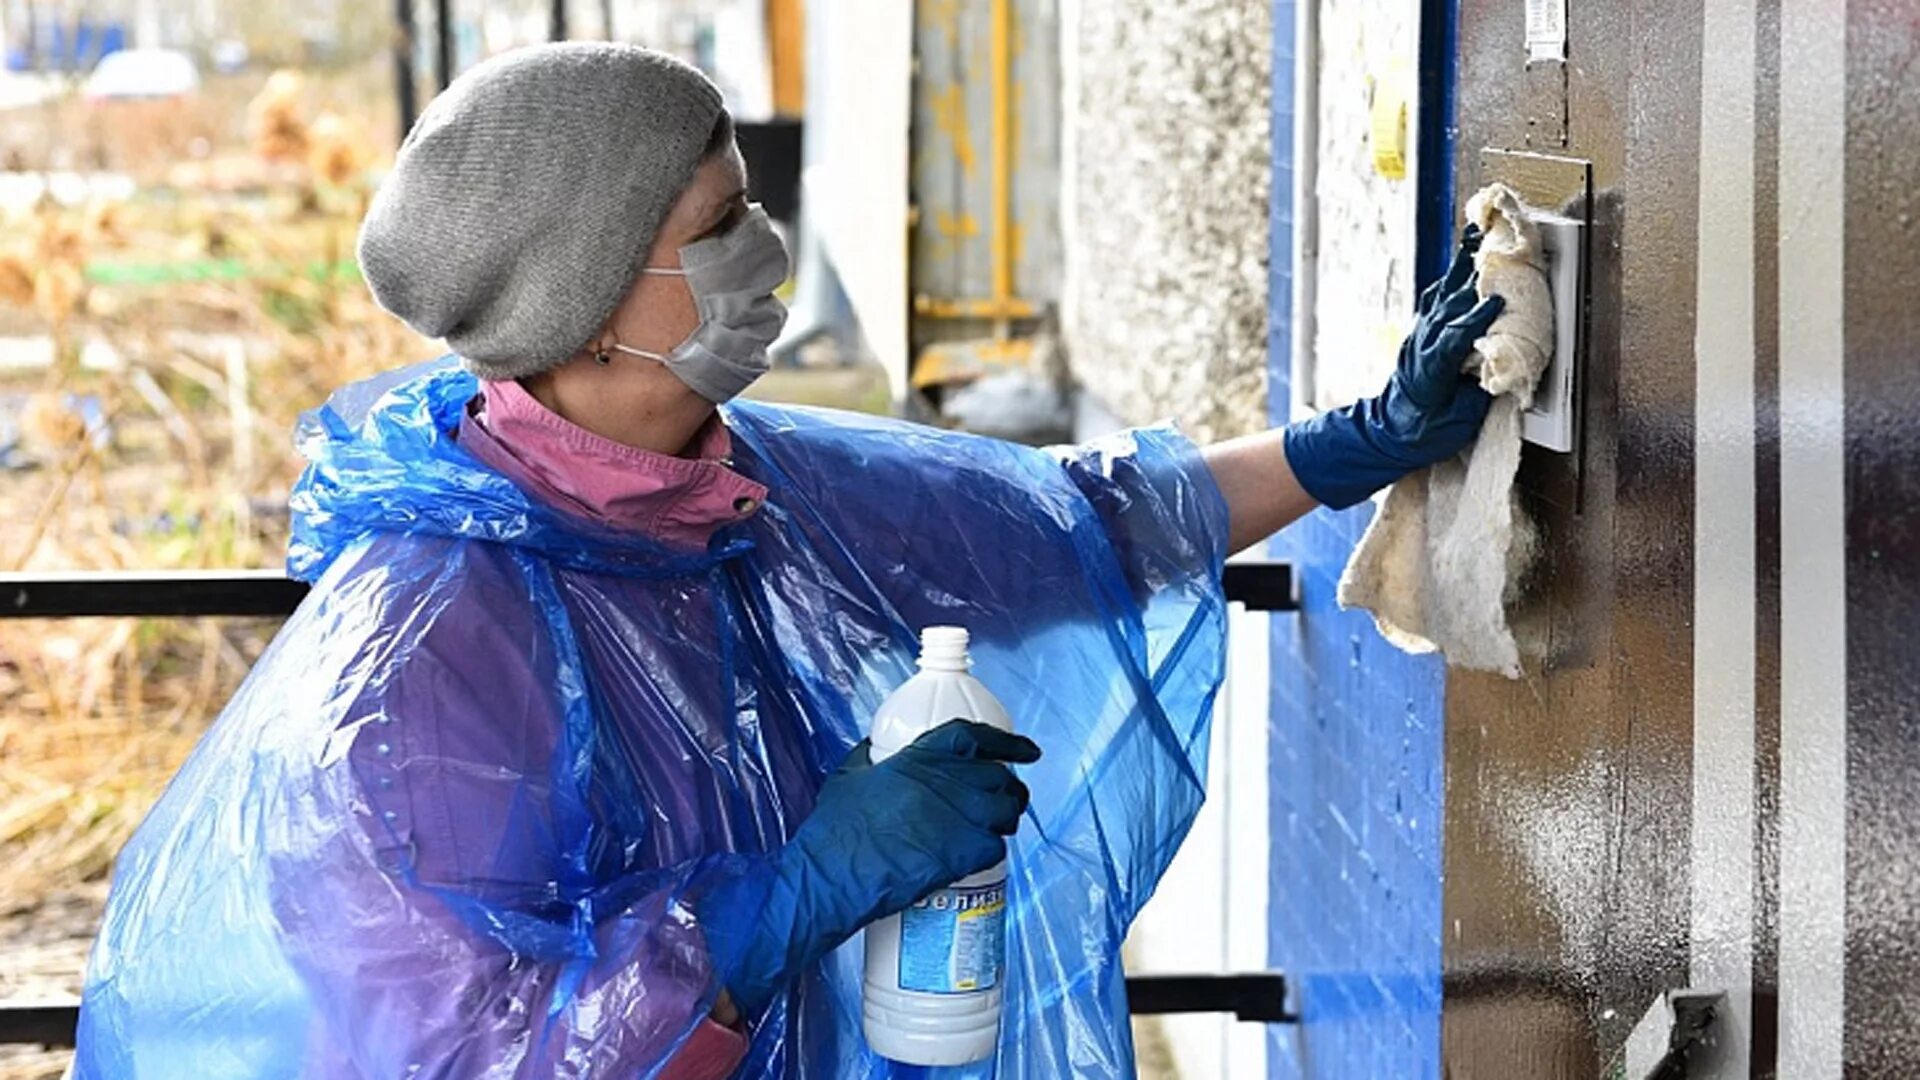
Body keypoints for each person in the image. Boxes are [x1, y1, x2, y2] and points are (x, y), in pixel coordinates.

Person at [75, 44, 1501, 1079]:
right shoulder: (430, 657)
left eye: (751, 207)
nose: (764, 254)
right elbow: (470, 1056)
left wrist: (1359, 443)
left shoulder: (741, 479)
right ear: (582, 305)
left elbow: (1074, 525)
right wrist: (791, 900)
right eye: (716, 231)